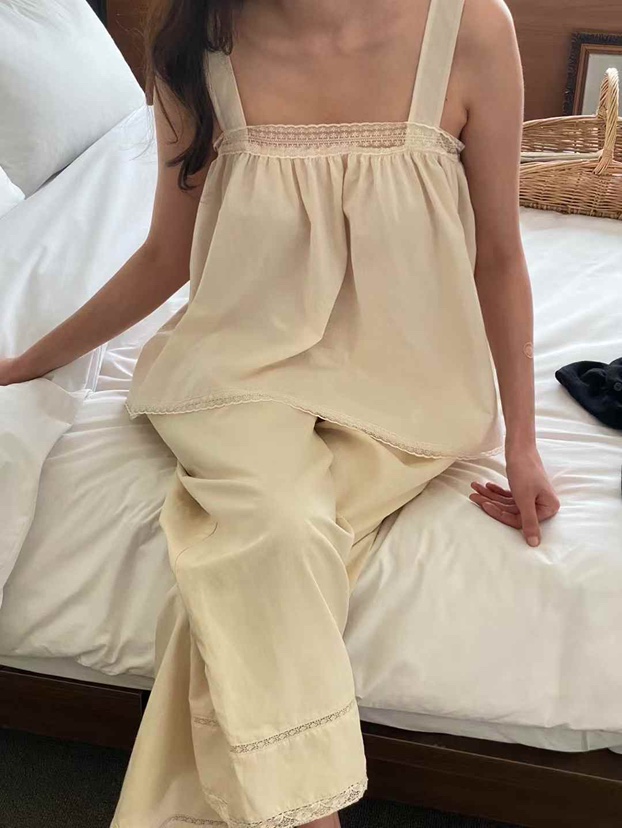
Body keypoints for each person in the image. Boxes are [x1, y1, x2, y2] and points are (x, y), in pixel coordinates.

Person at [1, 0, 561, 825]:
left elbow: (500, 256)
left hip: (413, 385)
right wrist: (28, 363)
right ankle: (309, 816)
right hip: (238, 368)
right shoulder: (197, 44)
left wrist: (524, 444)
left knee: (254, 563)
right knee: (280, 526)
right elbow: (164, 255)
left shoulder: (471, 26)